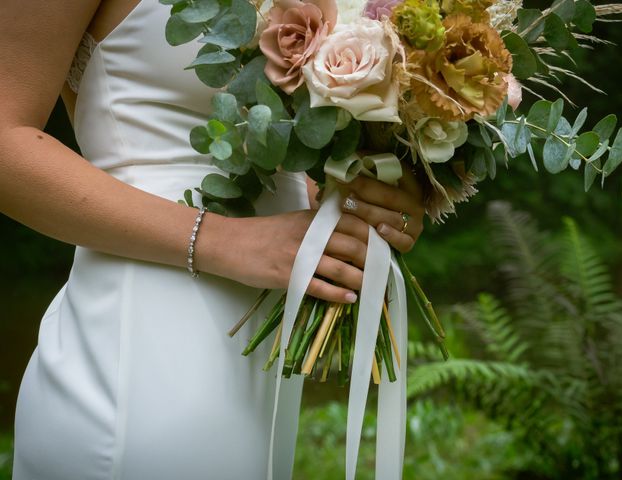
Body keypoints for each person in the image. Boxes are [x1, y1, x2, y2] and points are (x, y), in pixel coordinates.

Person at [0, 0, 425, 478]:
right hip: (147, 341)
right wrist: (224, 240)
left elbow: (284, 146)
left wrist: (363, 196)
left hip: (264, 345)